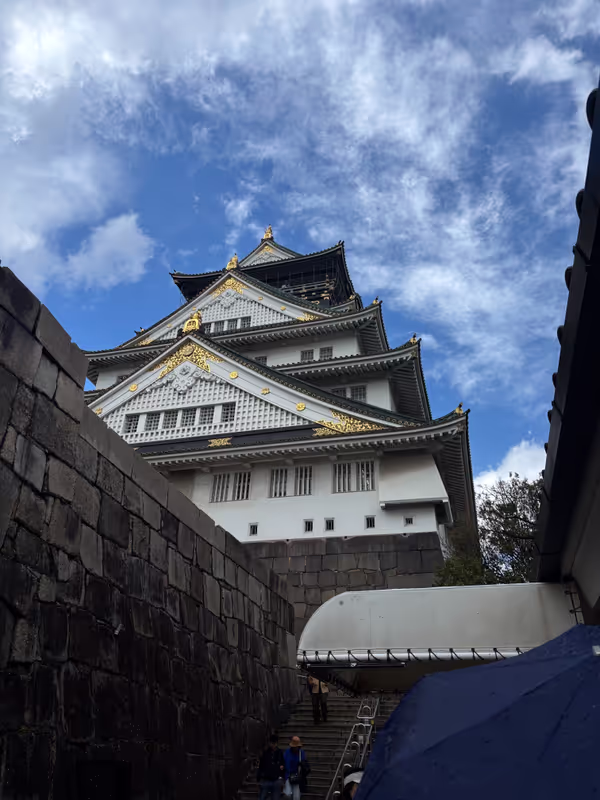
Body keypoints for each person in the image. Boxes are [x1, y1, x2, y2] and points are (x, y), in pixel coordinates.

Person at [257, 734, 285, 800]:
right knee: (262, 797)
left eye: (274, 743)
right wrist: (259, 778)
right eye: (272, 743)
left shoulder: (279, 753)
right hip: (266, 779)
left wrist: (282, 777)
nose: (273, 745)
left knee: (275, 797)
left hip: (276, 779)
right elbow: (261, 766)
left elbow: (283, 764)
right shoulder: (265, 753)